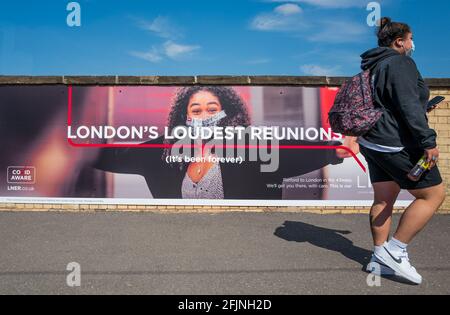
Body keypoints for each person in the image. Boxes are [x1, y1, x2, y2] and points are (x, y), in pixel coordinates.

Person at [94, 86, 347, 200]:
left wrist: (335, 149)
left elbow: (292, 149)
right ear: (184, 116)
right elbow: (113, 155)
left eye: (212, 108)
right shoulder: (165, 150)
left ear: (228, 112)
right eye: (196, 110)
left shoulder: (250, 146)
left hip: (243, 243)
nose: (205, 116)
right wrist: (63, 153)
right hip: (178, 243)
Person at [351, 17, 446, 284]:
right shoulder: (400, 62)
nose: (413, 44)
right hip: (396, 143)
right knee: (433, 194)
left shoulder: (373, 66)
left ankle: (378, 258)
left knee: (384, 199)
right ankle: (395, 250)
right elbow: (406, 104)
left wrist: (420, 108)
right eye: (411, 38)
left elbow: (393, 104)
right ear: (399, 41)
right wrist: (427, 141)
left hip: (372, 142)